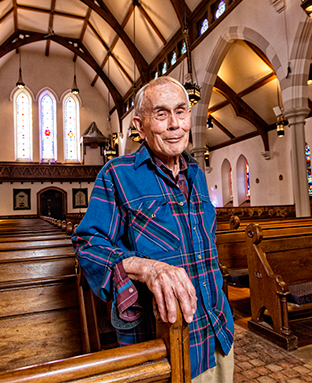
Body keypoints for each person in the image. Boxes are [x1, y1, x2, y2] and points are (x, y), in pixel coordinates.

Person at [72, 76, 234, 382]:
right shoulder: (118, 175)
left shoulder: (197, 175)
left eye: (181, 111)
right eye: (161, 114)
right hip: (162, 344)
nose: (175, 124)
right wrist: (144, 268)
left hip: (216, 331)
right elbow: (87, 245)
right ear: (139, 125)